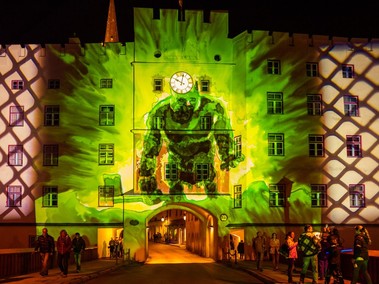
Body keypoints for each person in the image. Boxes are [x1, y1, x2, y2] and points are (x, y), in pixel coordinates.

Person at [138, 82, 244, 195]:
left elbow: (222, 133)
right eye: (181, 100)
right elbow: (152, 139)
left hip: (203, 156)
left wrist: (227, 154)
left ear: (197, 95)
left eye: (192, 100)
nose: (188, 104)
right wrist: (147, 170)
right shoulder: (160, 111)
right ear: (173, 97)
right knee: (175, 190)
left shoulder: (212, 107)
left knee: (210, 190)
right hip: (176, 159)